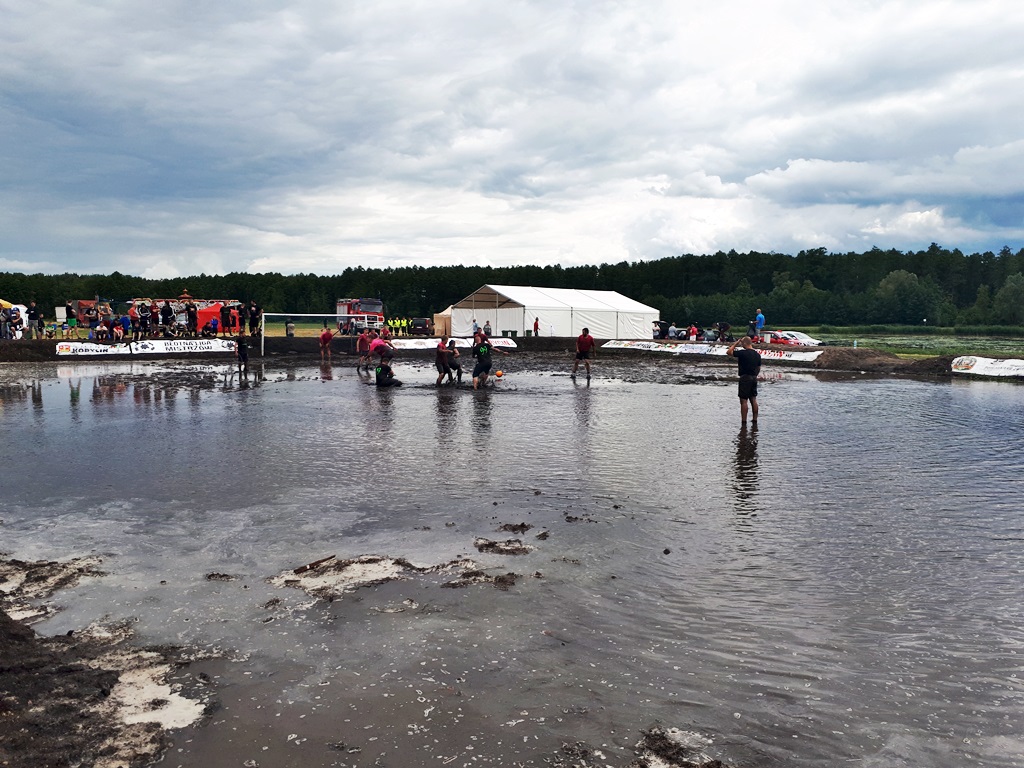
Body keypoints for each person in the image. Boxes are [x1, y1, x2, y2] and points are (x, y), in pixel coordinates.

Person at [727, 336, 762, 425]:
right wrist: (755, 375)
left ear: (744, 343)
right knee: (753, 399)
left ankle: (744, 422)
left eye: (742, 343)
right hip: (754, 377)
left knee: (743, 401)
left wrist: (736, 343)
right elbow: (758, 368)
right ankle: (755, 420)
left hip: (745, 378)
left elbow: (729, 352)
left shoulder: (742, 353)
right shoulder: (757, 355)